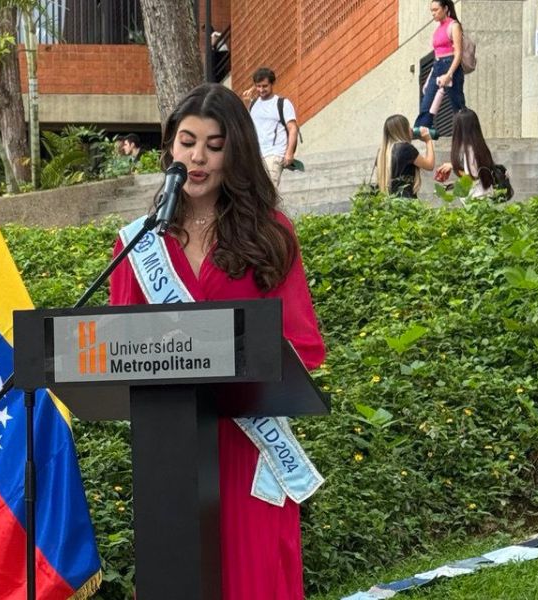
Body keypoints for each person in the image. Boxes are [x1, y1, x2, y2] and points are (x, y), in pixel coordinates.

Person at [109, 83, 325, 599]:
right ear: (170, 149)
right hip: (171, 446)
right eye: (187, 142)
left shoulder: (269, 234)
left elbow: (302, 344)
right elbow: (118, 346)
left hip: (247, 443)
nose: (198, 158)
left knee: (252, 575)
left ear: (237, 153)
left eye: (214, 145)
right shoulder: (138, 243)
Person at [415, 0, 466, 130]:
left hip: (451, 65)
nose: (433, 13)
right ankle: (422, 130)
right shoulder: (438, 29)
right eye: (431, 10)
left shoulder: (454, 26)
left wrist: (449, 74)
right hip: (437, 66)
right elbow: (437, 55)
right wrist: (429, 79)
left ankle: (464, 134)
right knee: (426, 102)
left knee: (457, 104)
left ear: (445, 9)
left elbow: (458, 53)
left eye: (436, 10)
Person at [246, 67, 299, 188]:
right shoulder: (253, 104)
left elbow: (293, 128)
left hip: (275, 154)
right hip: (256, 156)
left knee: (269, 190)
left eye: (265, 86)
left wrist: (289, 153)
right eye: (258, 86)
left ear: (272, 83)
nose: (261, 89)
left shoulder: (282, 103)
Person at [434, 109, 500, 198]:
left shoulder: (469, 150)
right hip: (484, 195)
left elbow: (471, 178)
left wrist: (453, 166)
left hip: (477, 198)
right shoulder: (479, 146)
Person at [376, 115, 435, 198]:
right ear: (403, 130)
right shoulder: (406, 148)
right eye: (408, 126)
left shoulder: (382, 152)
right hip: (405, 198)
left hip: (389, 199)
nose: (411, 129)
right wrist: (428, 140)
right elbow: (429, 165)